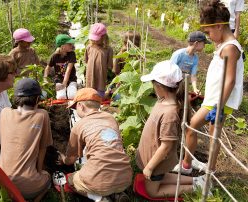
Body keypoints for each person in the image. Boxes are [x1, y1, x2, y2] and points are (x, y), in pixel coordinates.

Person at [173, 0, 244, 174]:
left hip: (219, 101)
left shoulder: (230, 48)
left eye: (208, 31)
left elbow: (230, 81)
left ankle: (191, 167)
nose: (208, 36)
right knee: (212, 135)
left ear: (219, 26)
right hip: (215, 98)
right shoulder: (224, 45)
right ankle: (201, 167)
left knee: (192, 126)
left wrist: (219, 106)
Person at [136, 60, 207, 198]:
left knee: (152, 191)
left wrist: (150, 167)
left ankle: (195, 188)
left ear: (159, 86)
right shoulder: (163, 101)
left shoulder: (170, 113)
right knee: (160, 177)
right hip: (154, 160)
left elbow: (166, 146)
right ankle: (197, 181)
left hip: (156, 162)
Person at [59, 88, 132, 201]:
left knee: (71, 180)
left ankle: (99, 198)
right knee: (107, 179)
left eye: (75, 107)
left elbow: (71, 159)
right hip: (125, 178)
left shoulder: (79, 126)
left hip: (99, 180)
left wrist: (63, 159)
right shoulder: (111, 119)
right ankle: (117, 194)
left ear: (81, 106)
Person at [0, 78, 53, 201]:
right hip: (28, 188)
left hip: (3, 184)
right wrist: (39, 172)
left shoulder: (4, 112)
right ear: (37, 99)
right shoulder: (42, 115)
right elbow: (43, 148)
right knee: (47, 176)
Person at [44, 34, 77, 100]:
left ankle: (75, 86)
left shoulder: (72, 54)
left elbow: (68, 70)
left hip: (71, 79)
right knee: (61, 97)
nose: (72, 46)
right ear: (63, 46)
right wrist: (45, 80)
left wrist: (64, 84)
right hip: (59, 80)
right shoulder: (54, 56)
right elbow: (47, 68)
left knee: (72, 96)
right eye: (69, 44)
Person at [85, 23, 114, 98]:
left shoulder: (108, 49)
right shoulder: (89, 47)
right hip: (90, 74)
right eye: (93, 38)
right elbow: (86, 60)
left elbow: (109, 65)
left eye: (96, 38)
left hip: (101, 75)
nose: (94, 40)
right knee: (89, 93)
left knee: (99, 96)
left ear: (103, 37)